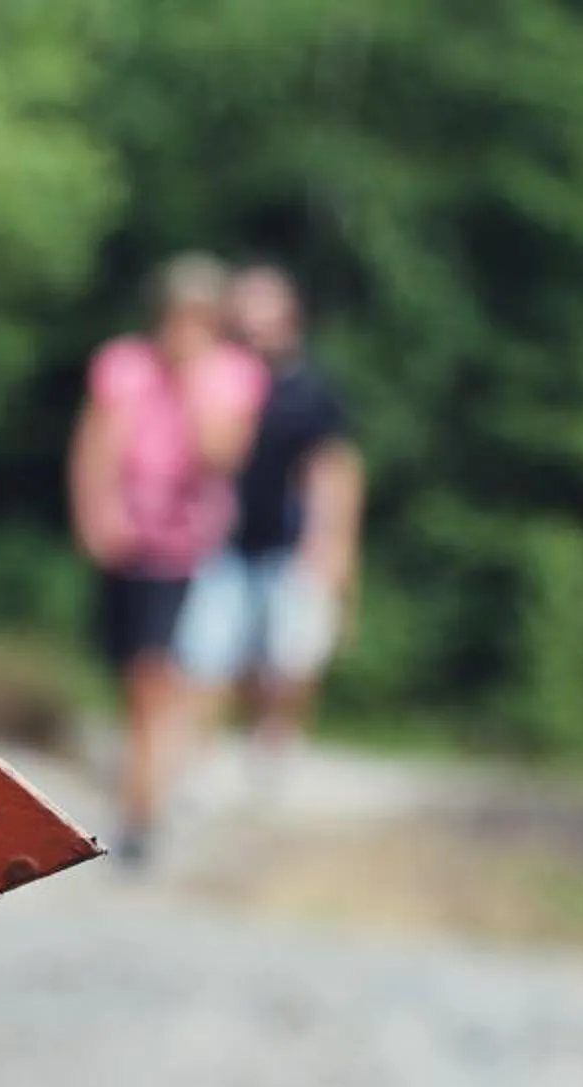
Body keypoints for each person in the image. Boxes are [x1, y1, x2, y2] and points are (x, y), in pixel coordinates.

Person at [67, 255, 266, 864]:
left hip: (189, 550)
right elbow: (95, 444)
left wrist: (191, 389)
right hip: (130, 541)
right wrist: (96, 514)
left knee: (158, 678)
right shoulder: (123, 365)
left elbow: (222, 458)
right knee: (134, 678)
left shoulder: (233, 377)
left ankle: (143, 812)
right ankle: (148, 779)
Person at [176, 264, 366, 753]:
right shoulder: (218, 376)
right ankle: (205, 748)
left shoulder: (311, 388)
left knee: (292, 656)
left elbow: (334, 467)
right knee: (209, 654)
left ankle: (276, 739)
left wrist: (334, 544)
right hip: (224, 539)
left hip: (291, 539)